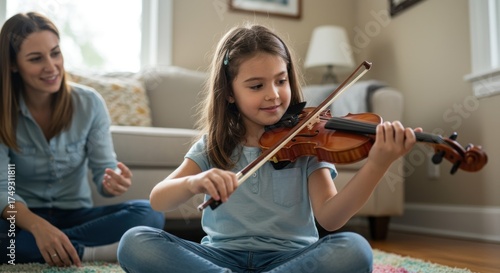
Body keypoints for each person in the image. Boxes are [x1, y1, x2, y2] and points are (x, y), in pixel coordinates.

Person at [118, 23, 420, 273]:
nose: (274, 95)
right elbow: (158, 200)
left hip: (290, 260)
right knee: (135, 241)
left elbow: (331, 218)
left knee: (355, 249)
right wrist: (195, 182)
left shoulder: (306, 143)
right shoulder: (214, 145)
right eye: (256, 86)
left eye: (281, 80)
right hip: (221, 258)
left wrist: (378, 164)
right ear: (230, 93)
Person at [0, 12, 164, 267]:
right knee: (10, 238)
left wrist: (111, 182)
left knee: (150, 213)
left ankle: (56, 248)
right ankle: (91, 252)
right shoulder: (3, 112)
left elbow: (103, 172)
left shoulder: (89, 103)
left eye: (55, 53)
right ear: (12, 64)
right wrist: (37, 227)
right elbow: (2, 190)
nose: (51, 66)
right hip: (22, 219)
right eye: (35, 59)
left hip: (78, 216)